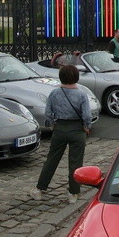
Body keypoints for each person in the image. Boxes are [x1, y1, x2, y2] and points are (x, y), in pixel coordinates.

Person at [30, 64, 94, 204]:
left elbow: (48, 113)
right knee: (75, 162)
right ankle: (73, 193)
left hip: (60, 128)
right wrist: (87, 127)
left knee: (52, 159)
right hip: (77, 129)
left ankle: (40, 189)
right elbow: (87, 115)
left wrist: (53, 124)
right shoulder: (82, 94)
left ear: (61, 77)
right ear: (76, 77)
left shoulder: (54, 93)